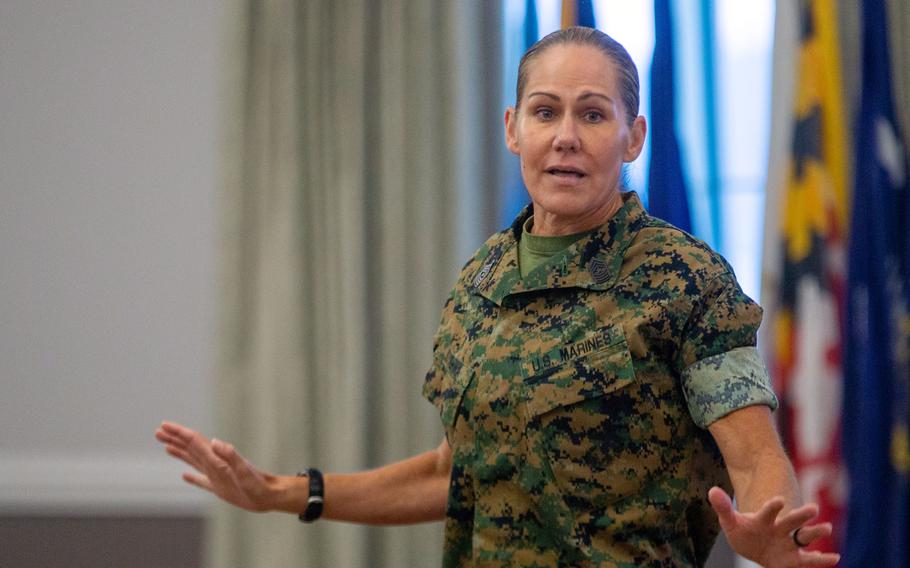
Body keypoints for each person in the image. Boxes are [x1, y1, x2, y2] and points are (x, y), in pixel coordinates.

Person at [156, 27, 840, 567]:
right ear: (514, 128)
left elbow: (754, 455)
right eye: (546, 112)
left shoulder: (685, 279)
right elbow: (454, 475)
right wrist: (283, 492)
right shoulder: (482, 280)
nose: (565, 136)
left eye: (594, 114)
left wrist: (766, 531)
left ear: (633, 138)